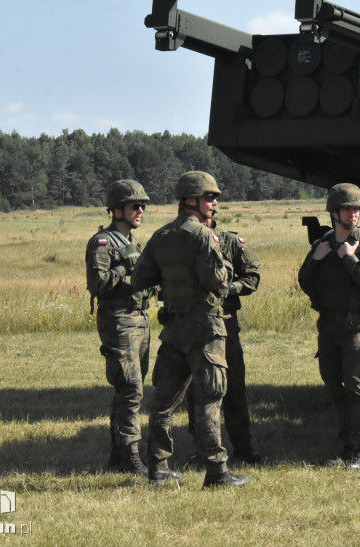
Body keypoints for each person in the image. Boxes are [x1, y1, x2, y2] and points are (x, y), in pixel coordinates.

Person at [132, 171, 250, 488]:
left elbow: (139, 278)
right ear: (191, 201)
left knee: (163, 404)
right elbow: (221, 282)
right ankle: (217, 472)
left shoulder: (161, 236)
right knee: (209, 401)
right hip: (205, 329)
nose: (215, 203)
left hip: (173, 330)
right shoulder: (203, 236)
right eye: (210, 197)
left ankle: (157, 468)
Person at [298, 183, 360, 470]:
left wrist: (349, 258)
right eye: (348, 209)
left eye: (357, 210)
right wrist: (316, 259)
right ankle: (349, 447)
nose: (354, 215)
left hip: (358, 327)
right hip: (330, 327)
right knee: (335, 385)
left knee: (358, 387)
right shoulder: (323, 243)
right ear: (334, 212)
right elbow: (305, 282)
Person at [85, 179, 153, 476]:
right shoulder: (103, 242)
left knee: (129, 388)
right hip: (119, 320)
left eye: (142, 206)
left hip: (140, 319)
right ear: (116, 210)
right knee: (131, 389)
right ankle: (130, 456)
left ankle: (118, 452)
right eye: (134, 205)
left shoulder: (132, 242)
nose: (140, 210)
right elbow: (98, 284)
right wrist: (126, 268)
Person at [186, 217, 262, 465]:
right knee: (198, 389)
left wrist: (231, 288)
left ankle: (243, 446)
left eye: (213, 200)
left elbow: (252, 276)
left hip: (226, 324)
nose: (210, 205)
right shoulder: (184, 238)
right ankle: (202, 447)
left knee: (235, 387)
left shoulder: (230, 241)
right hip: (194, 326)